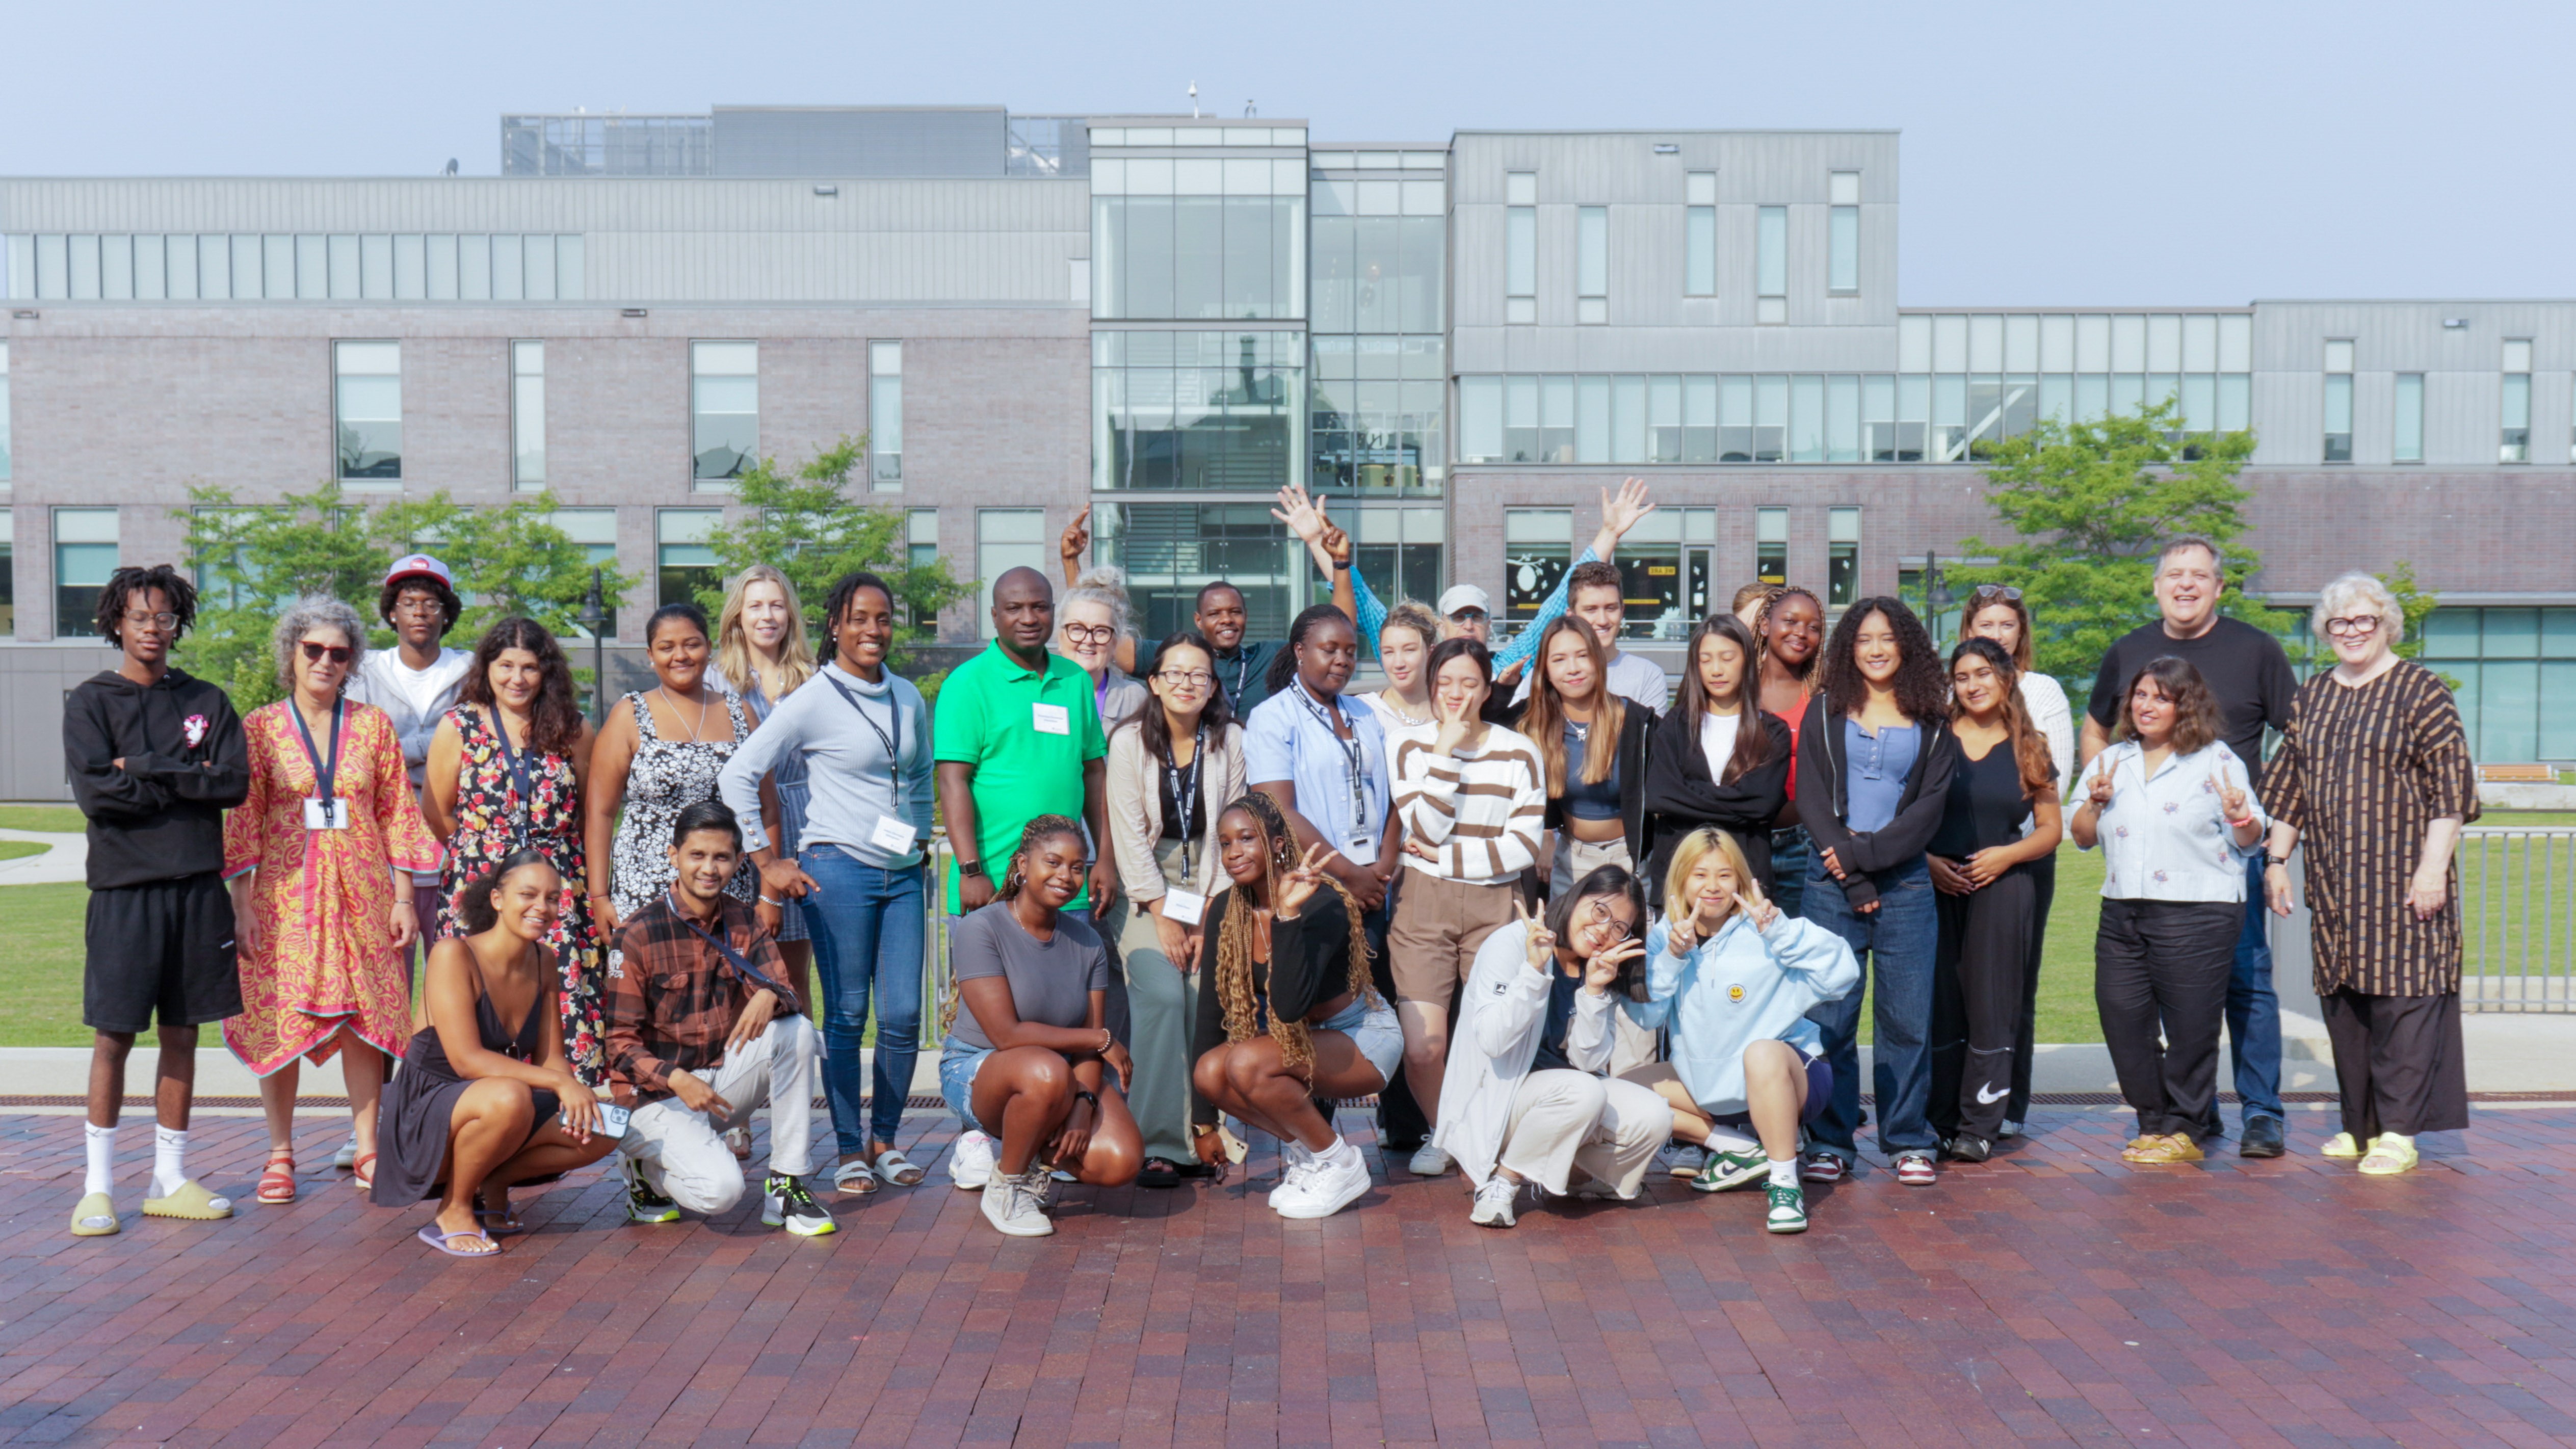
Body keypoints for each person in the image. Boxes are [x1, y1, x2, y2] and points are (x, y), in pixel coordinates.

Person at [718, 572, 935, 1195]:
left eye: (884, 618)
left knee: (900, 1014)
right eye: (859, 618)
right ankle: (847, 1148)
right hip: (835, 866)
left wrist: (919, 837)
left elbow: (917, 775)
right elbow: (740, 774)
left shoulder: (908, 696)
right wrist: (766, 861)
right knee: (846, 1013)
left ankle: (886, 1140)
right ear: (835, 625)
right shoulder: (812, 698)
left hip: (900, 874)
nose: (873, 630)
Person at [2080, 537, 2298, 1159]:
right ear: (2155, 586)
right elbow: (2097, 724)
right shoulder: (2128, 651)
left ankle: (2260, 1112)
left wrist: (2264, 812)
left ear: (2217, 587)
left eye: (2198, 576)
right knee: (2152, 998)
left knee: (2244, 984)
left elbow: (2298, 736)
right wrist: (2101, 791)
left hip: (2227, 857)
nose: (2184, 584)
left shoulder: (2255, 648)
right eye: (2172, 575)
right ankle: (2184, 1117)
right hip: (2142, 871)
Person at [224, 596, 442, 1203]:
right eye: (313, 649)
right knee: (280, 1015)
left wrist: (404, 898)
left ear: (352, 661)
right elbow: (243, 820)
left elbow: (397, 811)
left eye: (338, 653)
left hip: (363, 892)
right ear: (291, 652)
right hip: (284, 897)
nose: (324, 661)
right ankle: (281, 1152)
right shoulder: (261, 728)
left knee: (364, 1018)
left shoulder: (371, 726)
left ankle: (368, 1145)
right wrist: (240, 906)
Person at [2263, 573, 2478, 1175]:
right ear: (2325, 631)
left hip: (2405, 879)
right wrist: (2277, 862)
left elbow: (2450, 790)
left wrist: (2432, 869)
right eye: (2338, 623)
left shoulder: (2421, 689)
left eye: (2363, 621)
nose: (2351, 632)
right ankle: (2358, 1126)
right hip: (2334, 883)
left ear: (2385, 624)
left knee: (2405, 1000)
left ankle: (2400, 1131)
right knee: (2346, 1001)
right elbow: (2289, 789)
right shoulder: (2311, 697)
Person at [64, 565, 250, 1236]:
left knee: (183, 1032)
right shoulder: (90, 702)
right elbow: (95, 794)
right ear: (116, 620)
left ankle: (169, 1178)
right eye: (140, 617)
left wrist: (139, 769)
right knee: (113, 1033)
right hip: (123, 893)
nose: (153, 628)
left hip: (198, 889)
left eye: (165, 617)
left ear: (179, 622)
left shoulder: (207, 699)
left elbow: (232, 783)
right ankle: (97, 1186)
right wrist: (182, 776)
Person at [602, 800, 833, 1235]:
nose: (709, 868)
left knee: (797, 1033)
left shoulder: (743, 919)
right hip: (653, 1097)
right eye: (697, 855)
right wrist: (675, 1079)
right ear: (674, 856)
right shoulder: (637, 933)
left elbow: (787, 993)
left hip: (716, 1080)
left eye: (722, 857)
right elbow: (619, 1044)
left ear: (739, 861)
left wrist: (769, 994)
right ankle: (642, 1167)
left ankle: (786, 1185)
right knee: (721, 1193)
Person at [2071, 657, 2268, 1165]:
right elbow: (2080, 835)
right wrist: (2094, 803)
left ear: (2185, 705)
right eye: (2140, 695)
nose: (2146, 705)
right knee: (2123, 1019)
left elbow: (2249, 839)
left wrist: (2239, 815)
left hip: (2197, 910)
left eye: (2161, 696)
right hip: (2122, 910)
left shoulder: (2215, 759)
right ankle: (2154, 1119)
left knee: (2190, 1028)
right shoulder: (2110, 761)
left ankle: (2183, 1126)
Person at [372, 850, 617, 1256]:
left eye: (553, 898)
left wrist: (572, 1091)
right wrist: (558, 1082)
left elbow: (552, 1057)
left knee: (608, 1125)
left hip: (494, 1101)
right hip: (430, 1106)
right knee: (510, 1095)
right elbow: (467, 1060)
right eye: (529, 894)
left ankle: (492, 1181)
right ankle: (455, 1207)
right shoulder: (454, 953)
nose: (543, 906)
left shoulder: (544, 960)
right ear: (498, 899)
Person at [1796, 597, 1957, 1187]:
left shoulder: (1934, 720)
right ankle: (1830, 1139)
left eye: (1886, 637)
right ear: (1848, 647)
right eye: (1863, 638)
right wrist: (1853, 873)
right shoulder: (1823, 710)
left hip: (1907, 884)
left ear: (1906, 644)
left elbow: (1925, 813)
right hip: (1829, 882)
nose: (1875, 647)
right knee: (1830, 1018)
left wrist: (1863, 860)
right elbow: (1812, 799)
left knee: (1905, 1018)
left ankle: (1907, 1138)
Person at [1625, 828, 1857, 1232]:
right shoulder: (1667, 935)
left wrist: (1781, 934)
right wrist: (1672, 958)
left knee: (1761, 1051)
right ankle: (1739, 1148)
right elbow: (1645, 1018)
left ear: (1742, 881)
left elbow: (1843, 976)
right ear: (1681, 879)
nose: (1712, 887)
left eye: (1724, 875)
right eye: (1700, 875)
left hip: (1790, 1075)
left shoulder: (1766, 927)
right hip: (1712, 1085)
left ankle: (1784, 1184)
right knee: (1619, 1093)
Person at [1189, 794, 1402, 1219]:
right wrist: (1205, 1122)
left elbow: (1288, 1006)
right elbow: (1210, 1013)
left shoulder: (1321, 902)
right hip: (1305, 1040)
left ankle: (1342, 1163)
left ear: (1279, 843)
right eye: (1226, 842)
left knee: (1247, 1063)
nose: (1234, 853)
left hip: (1363, 1037)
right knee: (1210, 1072)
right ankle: (1315, 1155)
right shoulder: (1226, 911)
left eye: (1247, 839)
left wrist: (1287, 916)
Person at [1386, 638, 1547, 1176]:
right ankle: (1448, 1134)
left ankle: (1485, 1134)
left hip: (1496, 901)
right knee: (1422, 1046)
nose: (1454, 694)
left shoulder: (1519, 750)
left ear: (1487, 687)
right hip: (1422, 905)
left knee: (1489, 1036)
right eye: (1444, 682)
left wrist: (1444, 856)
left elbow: (1522, 847)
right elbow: (1422, 826)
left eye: (1468, 683)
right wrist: (1446, 749)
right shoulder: (1407, 744)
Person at [939, 816, 1144, 1237]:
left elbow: (1089, 1050)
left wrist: (1083, 1106)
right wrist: (1102, 1039)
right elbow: (1007, 1036)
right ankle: (1008, 1186)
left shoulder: (1087, 941)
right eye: (1052, 862)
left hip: (1060, 1076)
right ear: (1022, 865)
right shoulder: (983, 927)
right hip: (979, 1068)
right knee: (1046, 1071)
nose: (1066, 876)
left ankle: (1034, 1153)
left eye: (1077, 866)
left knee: (1121, 1159)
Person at [1435, 870, 1668, 1228]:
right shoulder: (1512, 943)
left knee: (1654, 1115)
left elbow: (1588, 1061)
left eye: (1621, 927)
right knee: (1582, 1091)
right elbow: (1493, 1040)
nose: (1605, 930)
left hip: (1564, 1097)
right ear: (1577, 897)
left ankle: (1574, 1177)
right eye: (1600, 911)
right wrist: (1534, 969)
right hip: (1500, 1097)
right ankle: (1504, 1181)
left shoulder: (1600, 965)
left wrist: (1593, 991)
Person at [425, 618, 603, 1083]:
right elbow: (438, 810)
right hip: (481, 884)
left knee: (561, 1002)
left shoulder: (573, 730)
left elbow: (589, 811)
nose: (517, 679)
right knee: (481, 994)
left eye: (529, 667)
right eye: (506, 666)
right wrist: (483, 853)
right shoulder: (458, 725)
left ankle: (566, 1112)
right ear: (487, 668)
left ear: (547, 673)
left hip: (556, 889)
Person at [1102, 629, 1244, 1187]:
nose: (1188, 683)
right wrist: (1162, 913)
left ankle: (1201, 1133)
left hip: (1210, 881)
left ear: (1212, 687)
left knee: (1200, 994)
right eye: (1175, 673)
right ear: (1154, 683)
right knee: (1162, 991)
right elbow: (1129, 834)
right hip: (1146, 887)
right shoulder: (1128, 742)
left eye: (1200, 675)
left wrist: (1207, 914)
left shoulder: (1230, 738)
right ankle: (1159, 1142)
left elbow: (1230, 832)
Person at [1924, 639, 2063, 1162]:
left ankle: (1979, 1123)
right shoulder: (1934, 739)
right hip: (1938, 885)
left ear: (2005, 677)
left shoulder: (2030, 744)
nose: (1972, 684)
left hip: (2003, 887)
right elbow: (1905, 814)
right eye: (1961, 676)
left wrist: (2005, 856)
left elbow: (2050, 829)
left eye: (1982, 673)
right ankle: (1937, 1118)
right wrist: (1926, 861)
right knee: (1940, 1006)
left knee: (1992, 1007)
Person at [935, 566, 1118, 924]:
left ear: (1053, 611)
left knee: (1068, 982)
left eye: (1040, 607)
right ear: (995, 615)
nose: (1029, 618)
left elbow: (1095, 774)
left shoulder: (1075, 680)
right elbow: (952, 781)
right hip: (991, 890)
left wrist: (1106, 859)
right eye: (1014, 608)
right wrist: (971, 870)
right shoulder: (967, 683)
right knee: (992, 983)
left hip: (1066, 890)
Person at [1960, 584, 2073, 1138]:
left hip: (2020, 853)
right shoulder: (1951, 698)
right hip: (1956, 861)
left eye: (2006, 624)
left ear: (2019, 634)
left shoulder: (2041, 693)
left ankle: (2007, 1103)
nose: (1996, 633)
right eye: (1985, 623)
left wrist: (2008, 852)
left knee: (2011, 988)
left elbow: (2053, 784)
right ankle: (1955, 1102)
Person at [585, 603, 758, 934]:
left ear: (709, 647)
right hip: (644, 882)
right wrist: (599, 895)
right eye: (667, 647)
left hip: (723, 880)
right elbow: (601, 812)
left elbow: (765, 808)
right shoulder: (629, 714)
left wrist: (771, 896)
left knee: (725, 980)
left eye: (691, 644)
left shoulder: (741, 713)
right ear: (651, 655)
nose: (680, 655)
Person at [1245, 604, 1399, 954]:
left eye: (1350, 651)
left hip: (1374, 883)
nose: (1343, 660)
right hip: (1314, 884)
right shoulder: (1272, 718)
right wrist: (1348, 874)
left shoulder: (1365, 712)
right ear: (1300, 651)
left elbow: (1392, 795)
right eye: (1330, 650)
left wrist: (1381, 871)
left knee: (1369, 992)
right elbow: (1278, 809)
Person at [348, 554, 474, 976]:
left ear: (447, 613)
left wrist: (399, 750)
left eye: (431, 603)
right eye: (408, 601)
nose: (420, 612)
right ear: (391, 611)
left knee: (455, 980)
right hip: (384, 859)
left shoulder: (471, 670)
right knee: (387, 981)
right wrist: (440, 743)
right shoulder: (364, 671)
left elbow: (477, 752)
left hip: (454, 853)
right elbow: (360, 755)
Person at [710, 564, 820, 1011]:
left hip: (806, 822)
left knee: (793, 972)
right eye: (755, 605)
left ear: (791, 614)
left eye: (776, 604)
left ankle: (802, 1075)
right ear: (738, 615)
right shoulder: (715, 681)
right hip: (742, 826)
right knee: (735, 971)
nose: (767, 615)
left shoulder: (814, 678)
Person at [1643, 613, 1793, 900]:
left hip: (1746, 880)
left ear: (1747, 661)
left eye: (1727, 658)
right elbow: (1659, 796)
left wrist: (1687, 798)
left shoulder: (1772, 732)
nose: (1716, 670)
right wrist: (1736, 801)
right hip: (1678, 878)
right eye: (1706, 659)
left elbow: (1762, 805)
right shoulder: (1674, 725)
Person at [1517, 616, 1653, 898]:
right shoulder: (1535, 724)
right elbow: (1484, 717)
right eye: (1559, 660)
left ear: (1598, 660)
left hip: (1630, 859)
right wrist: (1545, 833)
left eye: (1582, 656)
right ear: (1545, 670)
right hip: (1570, 858)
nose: (1573, 669)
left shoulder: (1636, 722)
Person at [1510, 560, 1672, 712]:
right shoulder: (1547, 673)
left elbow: (1649, 739)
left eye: (1610, 608)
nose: (1602, 621)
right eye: (1591, 610)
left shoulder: (1647, 675)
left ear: (1622, 611)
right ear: (1571, 616)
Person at [1753, 585, 1827, 918]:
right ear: (1766, 625)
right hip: (1748, 840)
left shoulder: (1823, 694)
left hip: (1805, 844)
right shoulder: (1738, 688)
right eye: (1791, 621)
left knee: (1800, 951)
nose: (1802, 633)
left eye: (1813, 627)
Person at [1060, 564, 1151, 731]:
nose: (1088, 640)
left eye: (1101, 631)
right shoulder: (1038, 693)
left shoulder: (1133, 698)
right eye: (1077, 629)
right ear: (1061, 638)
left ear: (1115, 642)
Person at [1360, 600, 1440, 735]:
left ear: (1430, 652)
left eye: (1409, 650)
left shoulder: (1450, 709)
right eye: (1389, 652)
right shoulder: (1365, 710)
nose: (1399, 664)